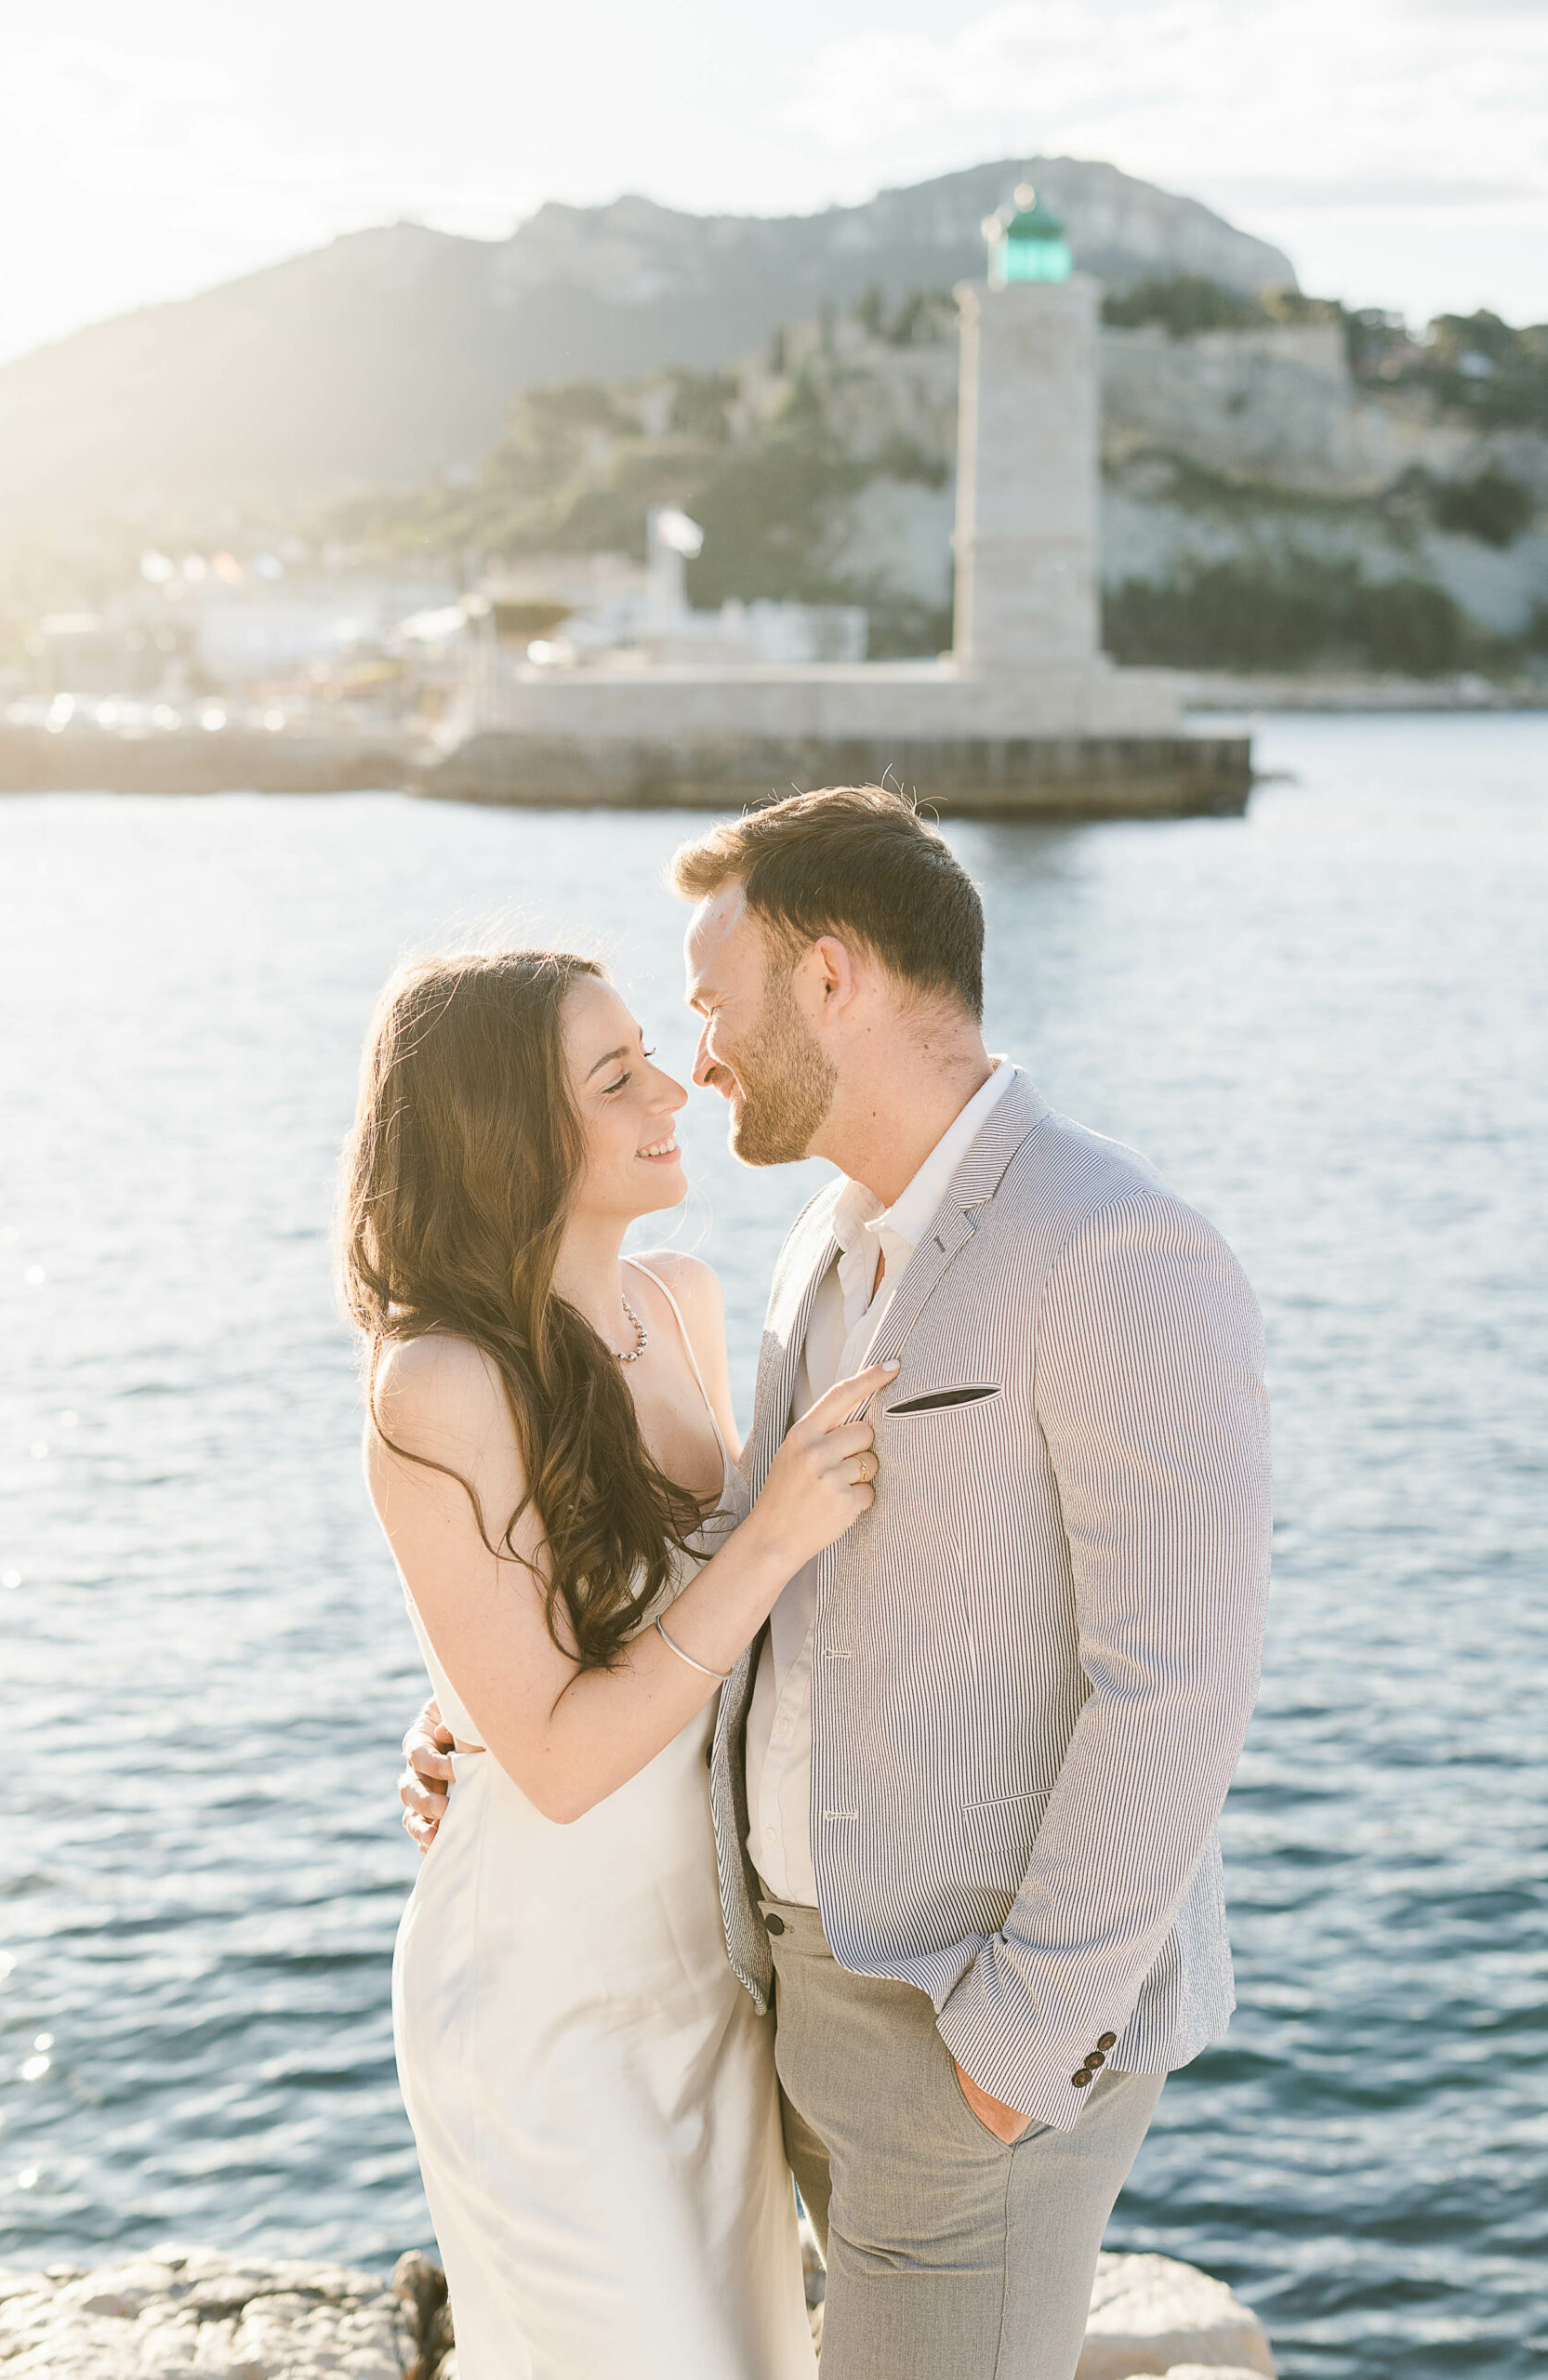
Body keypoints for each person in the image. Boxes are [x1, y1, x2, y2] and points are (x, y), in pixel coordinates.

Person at [404, 787, 1272, 2380]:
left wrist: (1016, 2046)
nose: (700, 1056)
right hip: (781, 2005)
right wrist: (479, 1697)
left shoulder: (1113, 1247)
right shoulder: (826, 1240)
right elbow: (731, 1571)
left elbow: (1181, 1684)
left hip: (962, 2030)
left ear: (827, 979)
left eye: (712, 1003)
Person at [340, 945, 896, 2380]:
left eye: (654, 1050)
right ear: (504, 1133)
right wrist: (766, 1540)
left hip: (709, 1989)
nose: (677, 1088)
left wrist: (467, 1700)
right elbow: (569, 1759)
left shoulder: (683, 1302)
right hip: (545, 2003)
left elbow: (633, 1650)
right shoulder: (440, 1382)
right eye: (616, 1078)